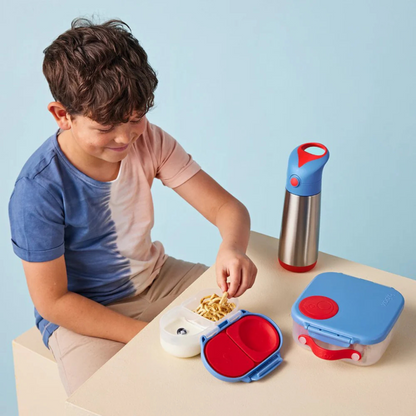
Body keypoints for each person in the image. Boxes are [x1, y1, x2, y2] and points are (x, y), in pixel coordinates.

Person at [8, 17, 257, 396]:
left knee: (257, 315)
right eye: (106, 126)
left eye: (136, 118)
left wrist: (232, 248)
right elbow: (53, 302)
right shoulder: (37, 190)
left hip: (158, 278)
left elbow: (228, 208)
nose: (125, 137)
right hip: (84, 315)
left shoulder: (149, 140)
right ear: (62, 115)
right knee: (109, 400)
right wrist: (150, 335)